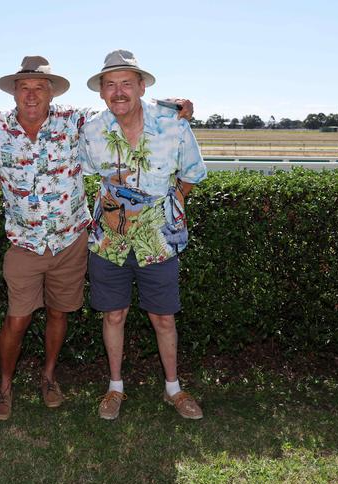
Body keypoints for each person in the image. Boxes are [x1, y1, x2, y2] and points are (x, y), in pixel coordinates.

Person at [0, 55, 194, 422]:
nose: (31, 95)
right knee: (17, 318)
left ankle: (48, 378)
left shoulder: (76, 121)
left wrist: (175, 105)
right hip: (24, 244)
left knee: (59, 314)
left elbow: (122, 105)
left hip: (69, 240)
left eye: (39, 87)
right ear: (14, 93)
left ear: (52, 92)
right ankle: (4, 386)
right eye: (24, 88)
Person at [78, 49, 207, 421]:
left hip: (159, 241)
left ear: (142, 86)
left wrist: (168, 206)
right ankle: (115, 388)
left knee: (164, 317)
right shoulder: (91, 129)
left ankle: (174, 389)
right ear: (101, 91)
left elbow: (192, 173)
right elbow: (88, 172)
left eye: (126, 84)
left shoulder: (174, 124)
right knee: (113, 314)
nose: (118, 92)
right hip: (108, 241)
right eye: (110, 85)